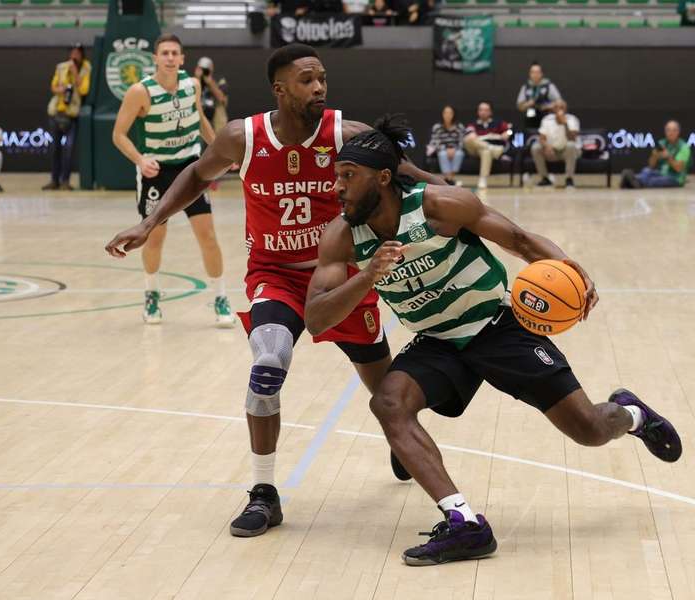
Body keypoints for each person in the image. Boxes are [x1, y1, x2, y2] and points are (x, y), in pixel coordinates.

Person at [305, 115, 683, 566]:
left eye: (348, 177)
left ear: (383, 178)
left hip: (497, 326)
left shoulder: (439, 206)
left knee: (590, 430)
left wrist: (573, 272)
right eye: (335, 177)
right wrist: (367, 276)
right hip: (438, 340)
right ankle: (465, 524)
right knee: (388, 402)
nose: (337, 187)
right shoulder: (343, 237)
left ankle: (633, 414)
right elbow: (316, 317)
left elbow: (520, 241)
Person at [105, 44, 446, 539]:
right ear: (280, 88)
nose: (319, 88)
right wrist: (149, 221)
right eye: (307, 80)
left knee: (386, 389)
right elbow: (197, 176)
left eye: (322, 79)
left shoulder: (346, 135)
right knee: (267, 364)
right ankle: (264, 493)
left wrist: (462, 202)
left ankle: (400, 441)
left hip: (340, 277)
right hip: (275, 275)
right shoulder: (241, 137)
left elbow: (410, 175)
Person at [111, 33, 236, 327]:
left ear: (182, 58)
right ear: (156, 58)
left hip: (191, 169)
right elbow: (118, 134)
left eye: (174, 53)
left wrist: (219, 150)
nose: (169, 57)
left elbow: (199, 120)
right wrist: (141, 160)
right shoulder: (140, 92)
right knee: (154, 238)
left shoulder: (191, 86)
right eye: (164, 53)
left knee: (207, 236)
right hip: (157, 172)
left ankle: (220, 297)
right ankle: (152, 294)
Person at [43, 43, 91, 191]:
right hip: (57, 112)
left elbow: (83, 90)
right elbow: (53, 86)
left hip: (72, 114)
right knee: (55, 149)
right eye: (73, 52)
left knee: (68, 150)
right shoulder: (61, 67)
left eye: (78, 52)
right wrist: (61, 89)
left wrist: (75, 72)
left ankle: (65, 181)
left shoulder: (86, 68)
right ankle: (54, 180)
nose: (74, 55)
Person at [620, 120, 691, 189]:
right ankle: (634, 181)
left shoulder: (683, 147)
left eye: (674, 130)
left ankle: (632, 182)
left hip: (675, 178)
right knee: (646, 170)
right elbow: (651, 166)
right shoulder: (662, 143)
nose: (671, 133)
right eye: (668, 130)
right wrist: (655, 156)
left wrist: (668, 157)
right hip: (660, 173)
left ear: (678, 132)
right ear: (665, 131)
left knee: (655, 181)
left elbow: (679, 168)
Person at [530, 100, 580, 189]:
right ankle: (545, 179)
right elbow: (541, 138)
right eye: (557, 107)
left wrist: (565, 124)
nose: (559, 110)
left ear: (566, 109)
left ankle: (569, 179)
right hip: (551, 152)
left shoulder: (572, 119)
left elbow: (572, 138)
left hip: (567, 152)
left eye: (562, 107)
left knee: (571, 146)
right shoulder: (547, 120)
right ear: (553, 109)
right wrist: (546, 146)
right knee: (535, 147)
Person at [462, 101, 510, 190]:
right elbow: (470, 135)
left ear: (490, 112)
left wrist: (506, 134)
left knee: (486, 152)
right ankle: (493, 149)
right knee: (467, 139)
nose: (483, 112)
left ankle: (483, 179)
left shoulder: (498, 123)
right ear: (478, 112)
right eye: (481, 110)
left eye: (486, 110)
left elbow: (509, 131)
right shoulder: (473, 124)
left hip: (484, 150)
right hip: (474, 149)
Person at [516, 63, 562, 131]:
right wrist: (528, 104)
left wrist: (548, 106)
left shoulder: (548, 85)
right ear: (530, 73)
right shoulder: (526, 87)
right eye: (533, 72)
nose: (535, 75)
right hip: (531, 118)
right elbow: (519, 106)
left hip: (547, 117)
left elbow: (560, 102)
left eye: (537, 72)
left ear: (541, 73)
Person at [428, 105, 466, 185]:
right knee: (442, 154)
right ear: (442, 114)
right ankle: (449, 179)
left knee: (459, 154)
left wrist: (454, 149)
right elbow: (435, 141)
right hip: (442, 149)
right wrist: (446, 148)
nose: (448, 115)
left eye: (450, 113)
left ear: (454, 114)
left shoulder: (459, 126)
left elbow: (462, 141)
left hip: (456, 149)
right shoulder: (437, 127)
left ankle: (449, 179)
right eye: (445, 113)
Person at [195, 57, 229, 132]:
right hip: (201, 111)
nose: (204, 71)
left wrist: (210, 82)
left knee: (220, 112)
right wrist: (197, 78)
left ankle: (220, 139)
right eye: (202, 69)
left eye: (206, 69)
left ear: (212, 68)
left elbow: (222, 99)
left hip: (216, 112)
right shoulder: (194, 81)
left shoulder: (219, 79)